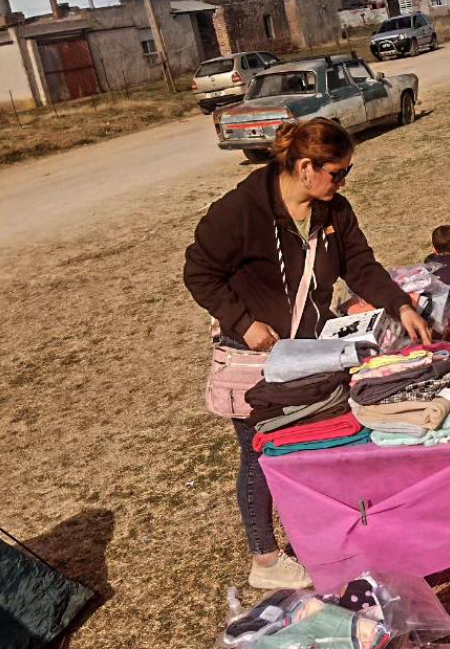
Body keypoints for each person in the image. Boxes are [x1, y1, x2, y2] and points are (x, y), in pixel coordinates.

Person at [183, 117, 430, 589]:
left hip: (309, 350)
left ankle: (324, 532)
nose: (343, 182)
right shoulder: (240, 211)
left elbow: (359, 264)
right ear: (304, 167)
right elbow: (199, 272)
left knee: (315, 440)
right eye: (337, 173)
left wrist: (399, 305)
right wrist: (244, 323)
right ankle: (266, 560)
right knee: (260, 452)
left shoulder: (333, 211)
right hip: (251, 353)